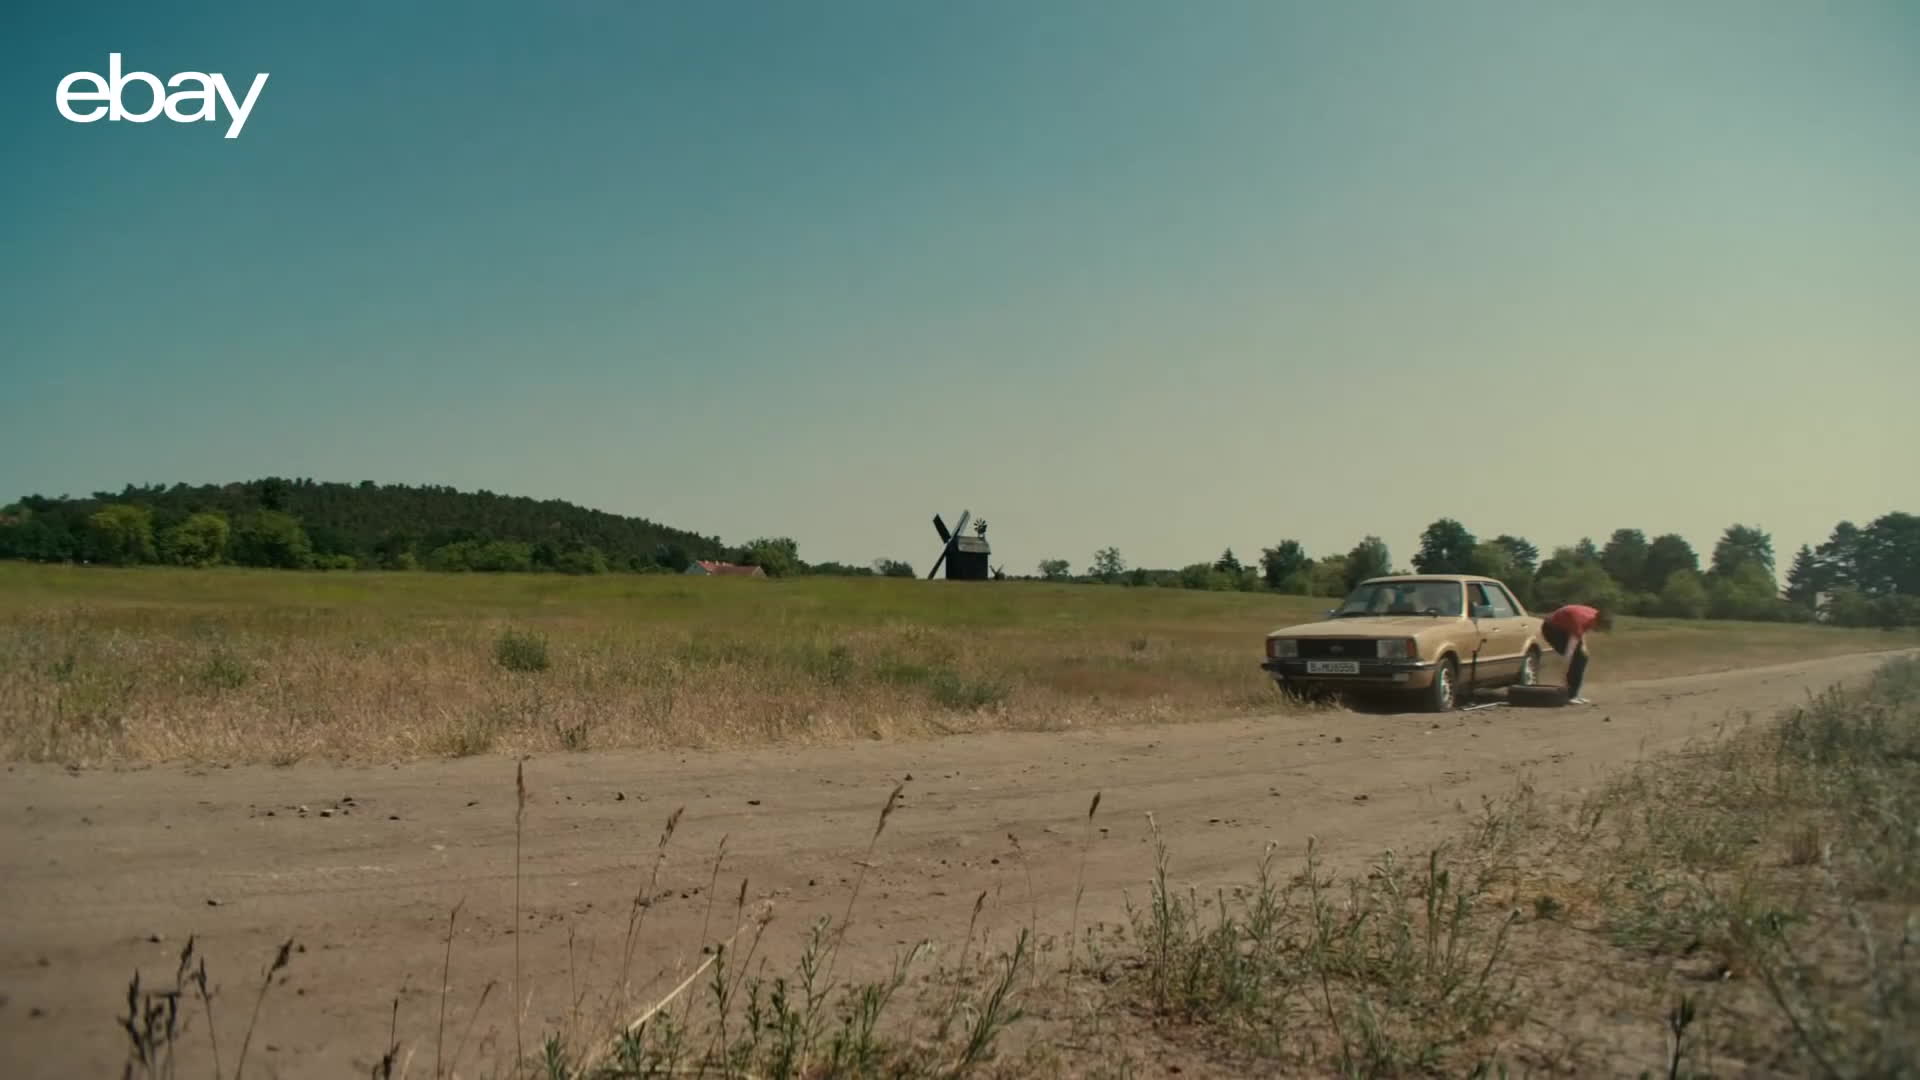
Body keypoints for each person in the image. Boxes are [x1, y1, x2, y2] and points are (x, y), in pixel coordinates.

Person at [1540, 603, 1606, 704]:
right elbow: (1569, 654)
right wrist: (1563, 676)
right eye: (1598, 628)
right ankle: (1570, 695)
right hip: (1551, 628)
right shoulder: (1579, 622)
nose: (1597, 631)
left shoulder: (1594, 616)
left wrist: (1583, 646)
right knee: (1577, 658)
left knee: (1582, 657)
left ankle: (1574, 694)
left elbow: (1583, 629)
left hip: (1564, 626)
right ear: (1596, 622)